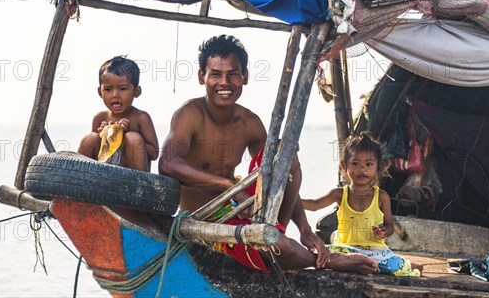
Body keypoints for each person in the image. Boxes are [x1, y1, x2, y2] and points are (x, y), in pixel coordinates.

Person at [159, 34, 378, 274]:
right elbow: (168, 164)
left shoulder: (249, 123)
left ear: (245, 77)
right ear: (202, 77)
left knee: (285, 155)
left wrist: (305, 229)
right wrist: (227, 185)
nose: (225, 82)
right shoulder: (189, 114)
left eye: (233, 74)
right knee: (280, 246)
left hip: (240, 210)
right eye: (215, 74)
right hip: (204, 220)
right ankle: (330, 261)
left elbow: (282, 173)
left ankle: (278, 232)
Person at [302, 132, 423, 276]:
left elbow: (390, 226)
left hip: (375, 251)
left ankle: (405, 265)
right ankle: (359, 263)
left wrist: (384, 231)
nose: (362, 169)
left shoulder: (382, 197)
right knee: (325, 254)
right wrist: (290, 198)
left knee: (394, 266)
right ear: (344, 165)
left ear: (378, 168)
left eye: (369, 164)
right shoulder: (339, 194)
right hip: (347, 250)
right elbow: (315, 205)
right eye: (355, 163)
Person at [78, 55, 158, 171]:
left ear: (137, 91)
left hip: (133, 177)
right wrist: (103, 135)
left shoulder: (141, 118)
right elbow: (97, 151)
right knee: (90, 138)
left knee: (133, 138)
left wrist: (125, 136)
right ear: (100, 92)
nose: (115, 95)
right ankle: (77, 179)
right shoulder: (100, 117)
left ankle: (140, 185)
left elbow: (154, 153)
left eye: (123, 88)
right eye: (108, 89)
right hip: (104, 174)